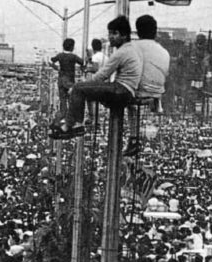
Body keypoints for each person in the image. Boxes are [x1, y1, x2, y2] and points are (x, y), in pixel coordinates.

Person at [49, 15, 142, 139]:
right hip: (127, 90)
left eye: (114, 34)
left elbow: (102, 75)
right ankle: (75, 123)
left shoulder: (121, 52)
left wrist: (80, 87)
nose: (110, 37)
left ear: (124, 35)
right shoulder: (131, 49)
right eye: (109, 33)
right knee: (80, 89)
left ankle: (70, 125)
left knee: (78, 88)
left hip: (122, 90)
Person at [124, 14, 170, 156]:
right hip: (156, 91)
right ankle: (157, 104)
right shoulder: (164, 52)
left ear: (137, 32)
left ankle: (133, 136)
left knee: (127, 99)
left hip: (137, 91)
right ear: (155, 32)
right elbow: (165, 73)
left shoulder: (131, 47)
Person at [49, 38, 84, 117]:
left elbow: (50, 61)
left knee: (63, 100)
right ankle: (70, 117)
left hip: (61, 80)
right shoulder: (73, 56)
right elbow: (82, 62)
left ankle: (63, 115)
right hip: (70, 81)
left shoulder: (60, 55)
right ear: (72, 47)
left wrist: (57, 68)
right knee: (71, 100)